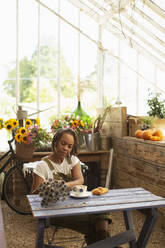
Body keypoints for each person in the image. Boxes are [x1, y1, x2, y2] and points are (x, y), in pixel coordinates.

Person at [31, 128, 119, 246]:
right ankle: (110, 245)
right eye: (63, 143)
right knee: (96, 222)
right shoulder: (42, 166)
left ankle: (105, 244)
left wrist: (63, 185)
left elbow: (80, 180)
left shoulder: (72, 160)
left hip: (74, 205)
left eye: (69, 146)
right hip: (54, 210)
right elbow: (33, 195)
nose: (66, 148)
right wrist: (47, 188)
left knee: (101, 209)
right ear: (55, 142)